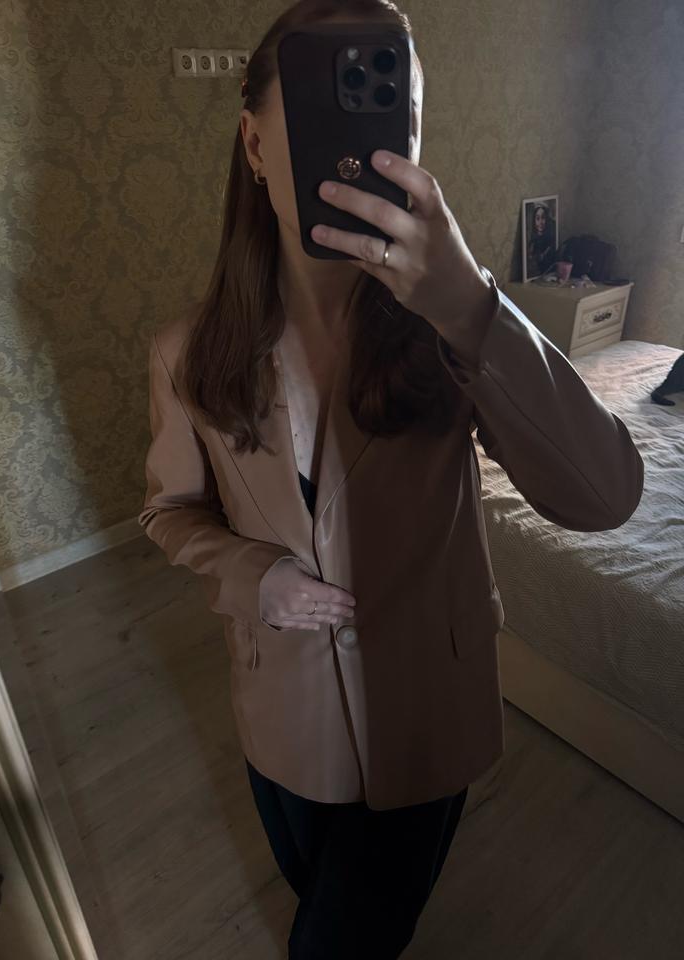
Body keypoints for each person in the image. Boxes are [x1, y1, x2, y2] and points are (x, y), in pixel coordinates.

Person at [138, 2, 644, 957]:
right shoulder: (184, 355)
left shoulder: (457, 336)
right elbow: (169, 513)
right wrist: (251, 575)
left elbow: (606, 495)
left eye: (391, 112)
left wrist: (472, 305)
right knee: (323, 904)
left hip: (428, 716)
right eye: (324, 106)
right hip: (281, 722)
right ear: (255, 145)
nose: (361, 142)